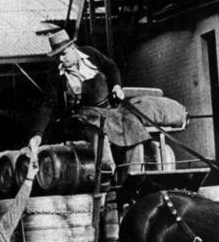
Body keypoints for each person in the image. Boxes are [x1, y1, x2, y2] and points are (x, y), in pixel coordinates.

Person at [28, 30, 149, 176]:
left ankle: (134, 176)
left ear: (73, 48)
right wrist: (37, 135)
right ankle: (106, 173)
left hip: (108, 109)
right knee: (97, 129)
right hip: (82, 114)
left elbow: (111, 67)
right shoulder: (56, 74)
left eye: (63, 54)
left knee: (133, 125)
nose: (61, 59)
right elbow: (48, 105)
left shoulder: (90, 54)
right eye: (57, 56)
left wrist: (117, 86)